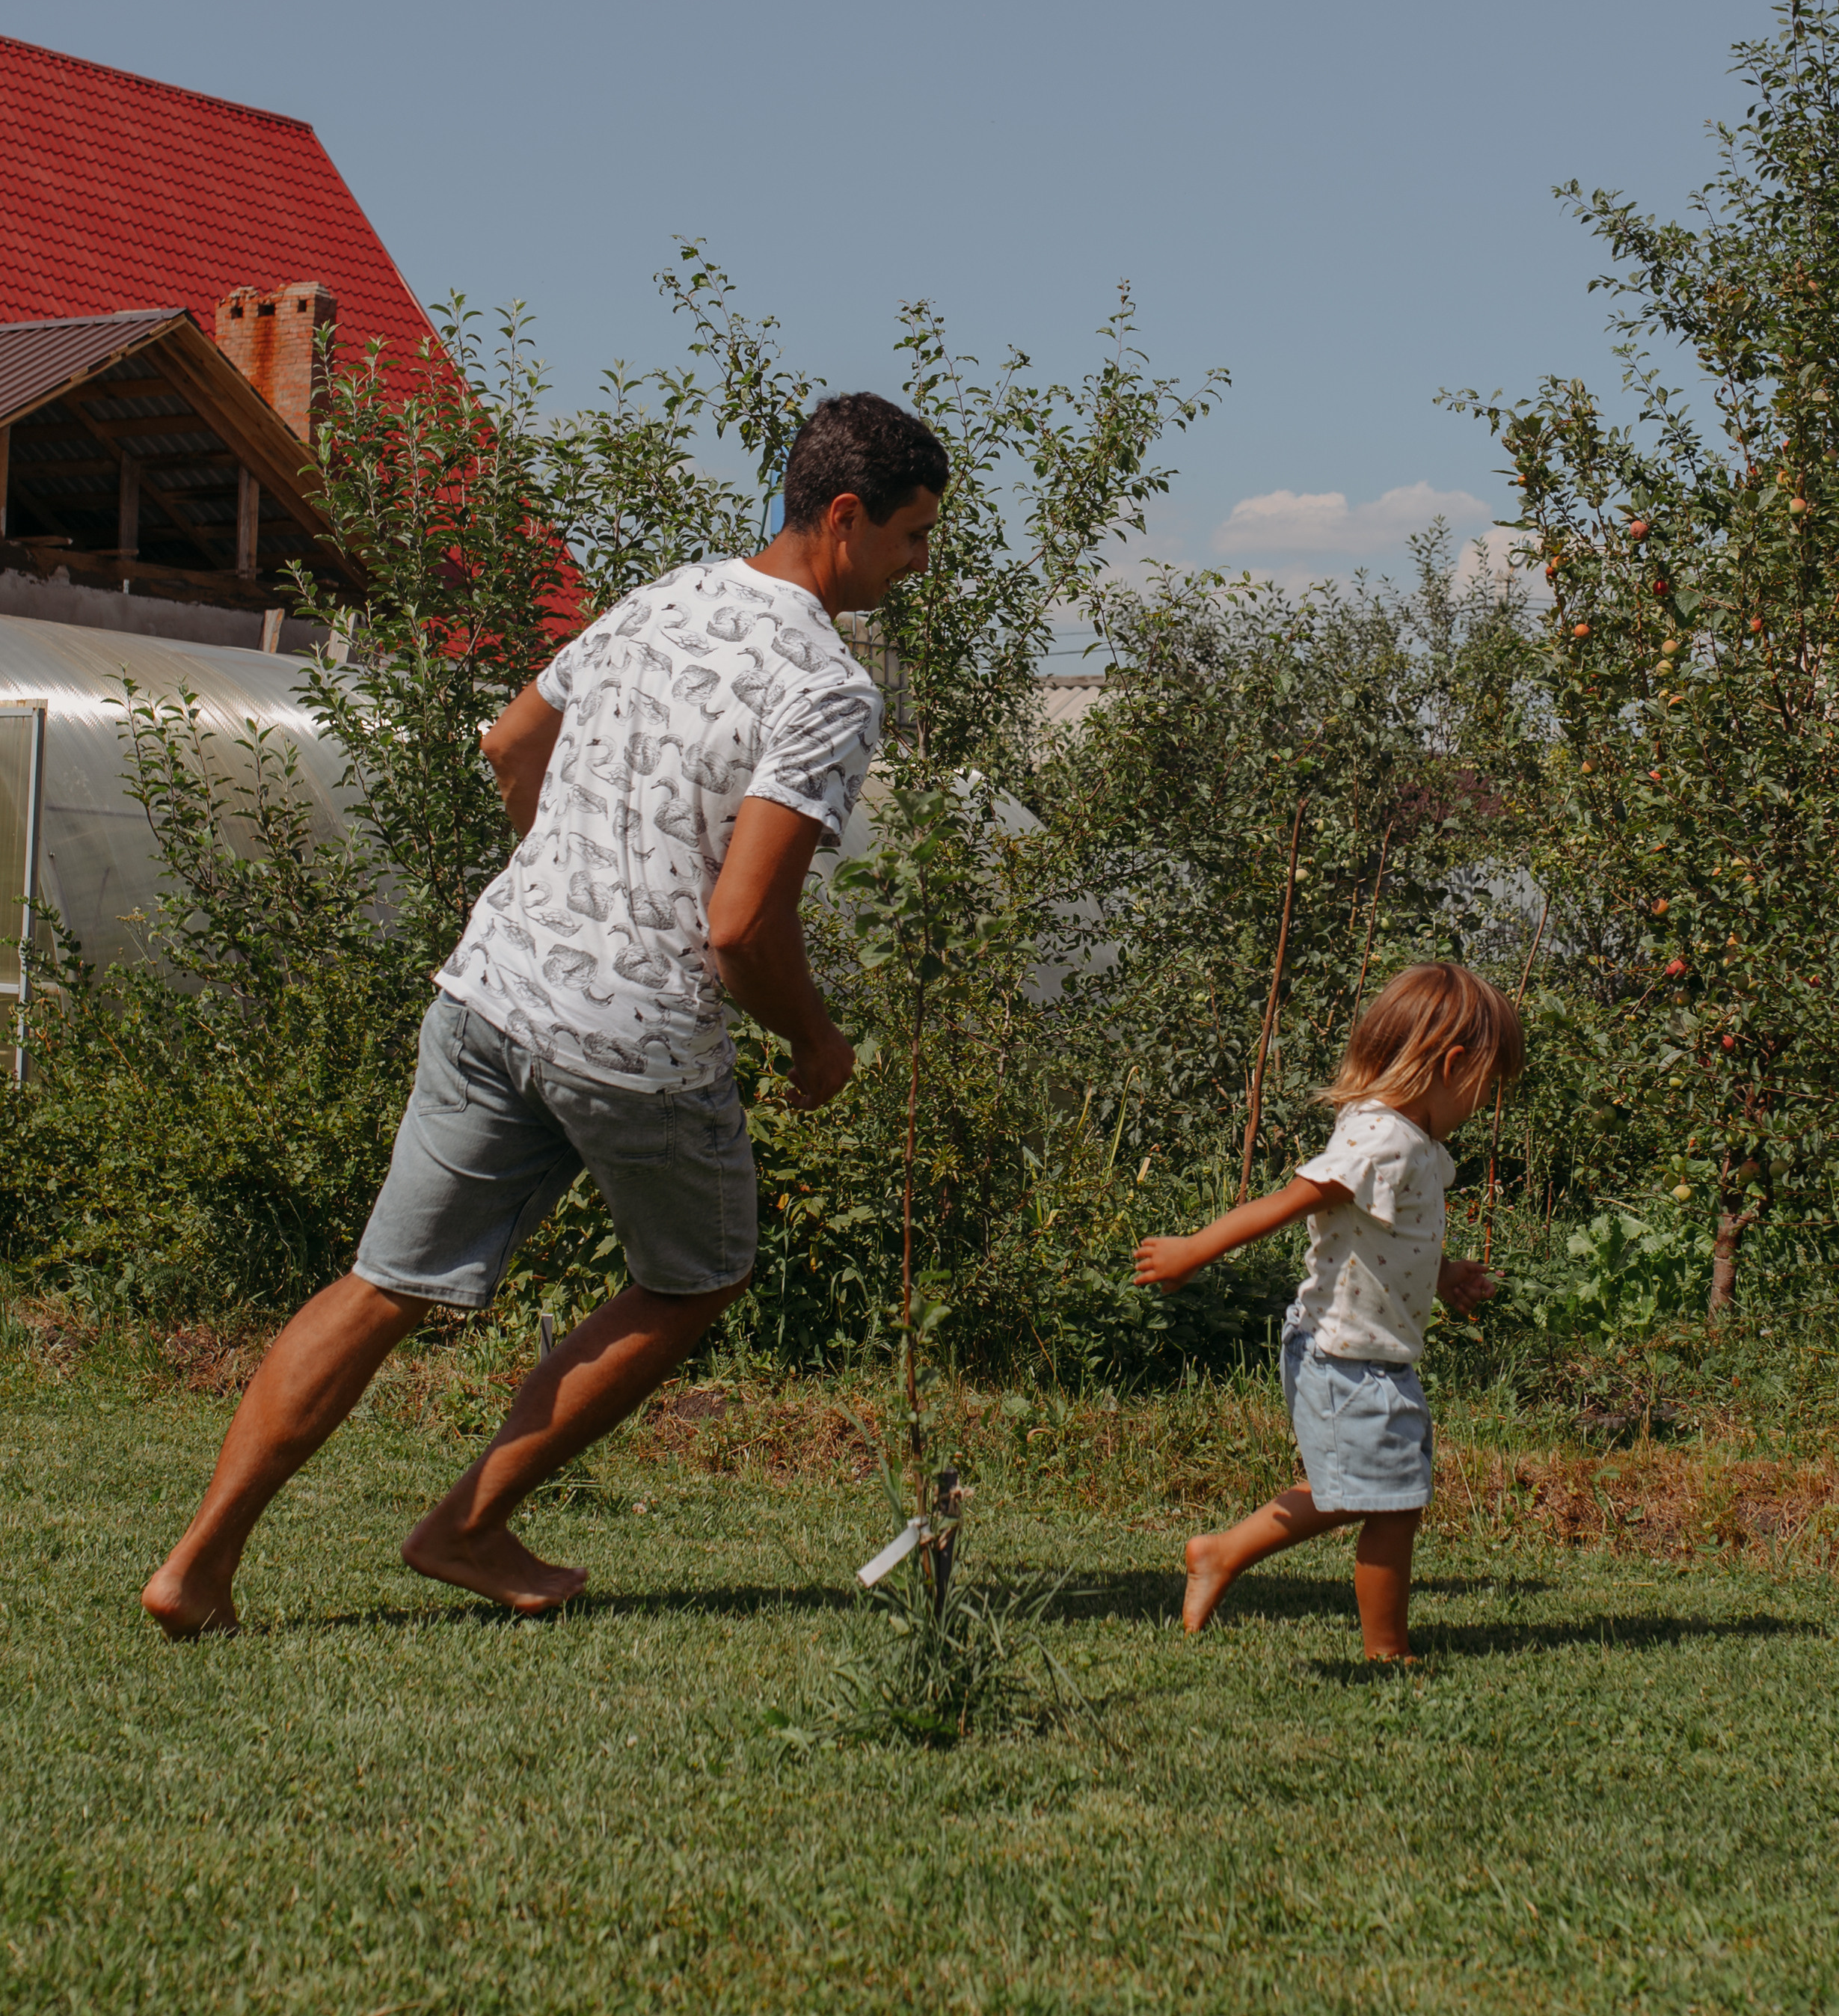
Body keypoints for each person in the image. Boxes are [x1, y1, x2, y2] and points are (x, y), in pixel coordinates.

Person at [142, 391, 949, 1637]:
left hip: (493, 984)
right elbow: (739, 925)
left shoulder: (661, 596)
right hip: (640, 1041)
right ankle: (465, 1523)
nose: (917, 564)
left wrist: (571, 881)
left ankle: (196, 1563)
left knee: (382, 1281)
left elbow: (510, 743)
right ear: (843, 516)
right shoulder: (827, 683)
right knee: (694, 1277)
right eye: (912, 535)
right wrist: (816, 1040)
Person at [1132, 962, 1521, 1659]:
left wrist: (1443, 1273)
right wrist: (1195, 1249)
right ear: (1453, 1064)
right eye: (1488, 1087)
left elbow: (1389, 1236)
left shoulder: (1420, 1146)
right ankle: (1386, 1649)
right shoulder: (1384, 1138)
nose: (1486, 1104)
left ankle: (1221, 1553)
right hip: (1342, 1353)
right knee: (1390, 1502)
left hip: (1374, 1354)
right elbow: (1290, 1202)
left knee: (1366, 1494)